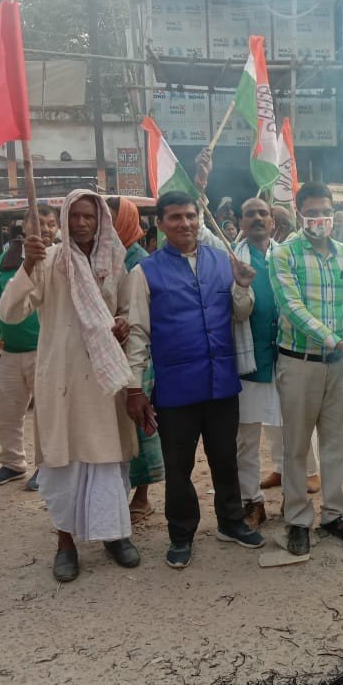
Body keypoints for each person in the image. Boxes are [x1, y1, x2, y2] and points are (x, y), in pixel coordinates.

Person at [0, 190, 140, 583]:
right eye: (74, 216)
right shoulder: (50, 261)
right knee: (64, 466)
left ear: (100, 221)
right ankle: (65, 543)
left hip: (102, 380)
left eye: (88, 217)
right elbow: (9, 313)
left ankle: (114, 535)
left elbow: (128, 309)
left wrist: (125, 322)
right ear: (64, 219)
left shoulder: (116, 262)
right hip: (61, 380)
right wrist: (27, 265)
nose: (80, 223)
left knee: (107, 462)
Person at [125, 190, 264, 570]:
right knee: (179, 466)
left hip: (221, 383)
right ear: (160, 223)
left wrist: (243, 286)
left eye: (190, 216)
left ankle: (231, 522)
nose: (185, 223)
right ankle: (181, 534)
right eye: (175, 217)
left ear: (199, 218)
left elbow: (240, 314)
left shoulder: (224, 261)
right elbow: (137, 332)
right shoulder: (145, 272)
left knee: (225, 459)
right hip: (176, 388)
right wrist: (134, 387)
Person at [269, 182, 343, 557]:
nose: (319, 219)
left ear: (334, 211)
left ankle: (335, 514)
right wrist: (335, 340)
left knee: (338, 443)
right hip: (299, 363)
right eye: (311, 213)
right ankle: (297, 519)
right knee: (295, 445)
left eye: (324, 211)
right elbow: (291, 308)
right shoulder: (284, 255)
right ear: (299, 214)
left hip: (338, 367)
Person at [0, 206, 59, 492]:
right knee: (5, 412)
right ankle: (13, 463)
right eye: (40, 223)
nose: (47, 229)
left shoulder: (59, 257)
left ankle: (47, 467)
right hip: (11, 351)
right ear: (24, 226)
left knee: (47, 414)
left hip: (46, 350)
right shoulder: (9, 257)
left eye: (51, 224)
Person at [108, 196, 165, 524]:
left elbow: (138, 318)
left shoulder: (136, 260)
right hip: (115, 350)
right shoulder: (112, 256)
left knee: (140, 421)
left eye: (112, 218)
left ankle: (141, 496)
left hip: (137, 353)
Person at [231, 197, 281, 529]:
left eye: (264, 213)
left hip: (287, 361)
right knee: (245, 442)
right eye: (250, 214)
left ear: (273, 222)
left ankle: (294, 502)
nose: (258, 218)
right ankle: (253, 503)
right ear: (241, 222)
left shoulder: (289, 256)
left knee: (292, 438)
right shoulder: (230, 259)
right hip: (247, 363)